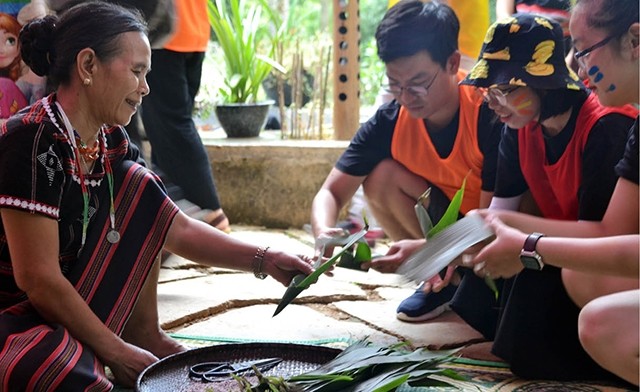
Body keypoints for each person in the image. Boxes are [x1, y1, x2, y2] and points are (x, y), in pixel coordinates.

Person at [0, 3, 315, 389]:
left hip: (66, 305)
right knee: (55, 370)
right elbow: (39, 279)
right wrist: (114, 351)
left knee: (138, 183)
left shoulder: (109, 140)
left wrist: (265, 259)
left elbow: (175, 228)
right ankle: (106, 350)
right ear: (87, 66)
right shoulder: (31, 141)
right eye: (136, 72)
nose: (145, 88)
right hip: (16, 315)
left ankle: (144, 335)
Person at [460, 0, 639, 384]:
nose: (577, 63)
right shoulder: (517, 131)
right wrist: (442, 246)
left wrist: (522, 241)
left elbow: (613, 238)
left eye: (585, 49)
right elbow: (616, 236)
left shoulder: (609, 125)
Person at [310, 0, 503, 322]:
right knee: (380, 176)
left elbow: (493, 220)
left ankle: (462, 276)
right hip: (451, 226)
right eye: (394, 84)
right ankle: (442, 278)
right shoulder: (390, 119)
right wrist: (323, 233)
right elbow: (330, 192)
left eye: (417, 82)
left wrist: (429, 249)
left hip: (497, 229)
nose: (406, 95)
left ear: (452, 62)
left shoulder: (490, 111)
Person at [140, 0, 230, 232]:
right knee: (164, 132)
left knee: (173, 126)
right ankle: (168, 216)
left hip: (161, 37)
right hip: (194, 32)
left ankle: (211, 214)